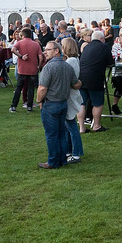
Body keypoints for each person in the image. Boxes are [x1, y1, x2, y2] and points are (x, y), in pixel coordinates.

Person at [36, 41, 81, 169]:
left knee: (52, 135)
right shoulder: (67, 66)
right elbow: (76, 83)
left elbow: (42, 88)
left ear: (56, 51)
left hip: (51, 104)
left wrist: (39, 100)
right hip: (63, 104)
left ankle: (53, 161)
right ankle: (62, 159)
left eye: (48, 49)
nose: (45, 52)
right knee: (61, 133)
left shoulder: (49, 67)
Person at [79, 30, 115, 132]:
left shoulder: (86, 47)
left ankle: (82, 128)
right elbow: (110, 63)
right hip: (95, 79)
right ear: (102, 39)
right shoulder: (104, 47)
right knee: (97, 103)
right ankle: (97, 126)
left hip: (82, 78)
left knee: (82, 103)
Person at [10, 28, 44, 113]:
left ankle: (14, 106)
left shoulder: (20, 43)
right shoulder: (36, 44)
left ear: (23, 35)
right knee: (31, 88)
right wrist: (38, 67)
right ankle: (29, 106)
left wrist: (21, 56)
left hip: (22, 69)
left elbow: (12, 49)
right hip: (33, 69)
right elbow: (41, 58)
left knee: (19, 87)